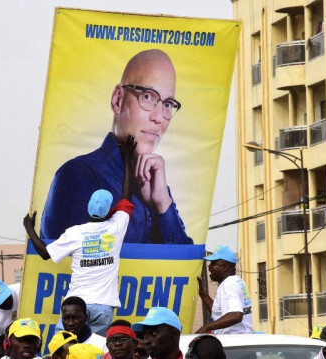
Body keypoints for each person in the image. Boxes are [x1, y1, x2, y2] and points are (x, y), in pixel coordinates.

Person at [40, 49, 193, 245]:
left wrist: (163, 204)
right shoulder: (78, 176)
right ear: (118, 100)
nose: (158, 117)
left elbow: (185, 269)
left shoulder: (159, 190)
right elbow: (69, 267)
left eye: (168, 104)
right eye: (147, 96)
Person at [24, 136, 136, 336]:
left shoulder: (75, 233)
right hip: (104, 307)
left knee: (65, 350)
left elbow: (44, 253)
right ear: (110, 208)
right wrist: (128, 160)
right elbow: (126, 196)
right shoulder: (117, 226)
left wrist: (29, 228)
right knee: (95, 353)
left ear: (88, 208)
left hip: (76, 307)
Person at [196, 245, 253, 334]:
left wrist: (206, 327)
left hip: (233, 343)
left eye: (213, 263)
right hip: (241, 341)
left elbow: (236, 315)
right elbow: (220, 313)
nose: (209, 266)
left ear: (224, 267)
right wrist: (203, 294)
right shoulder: (237, 281)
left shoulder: (228, 284)